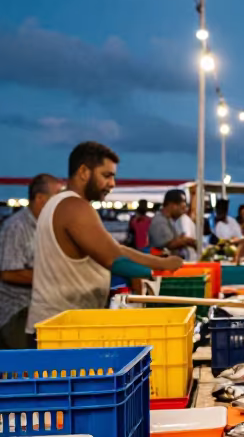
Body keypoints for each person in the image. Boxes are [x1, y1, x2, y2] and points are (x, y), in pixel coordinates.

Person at [27, 142, 183, 333]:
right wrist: (155, 275)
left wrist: (162, 263)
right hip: (59, 329)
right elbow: (115, 261)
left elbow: (116, 249)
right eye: (106, 175)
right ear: (84, 172)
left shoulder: (61, 203)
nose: (112, 184)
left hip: (58, 326)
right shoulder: (75, 207)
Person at [0, 174, 64, 348]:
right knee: (25, 367)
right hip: (18, 311)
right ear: (40, 199)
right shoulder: (16, 227)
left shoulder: (48, 226)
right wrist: (52, 277)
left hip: (39, 309)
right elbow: (8, 273)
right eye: (56, 196)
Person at [148, 190, 198, 255]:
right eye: (182, 207)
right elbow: (169, 245)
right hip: (161, 263)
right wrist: (187, 241)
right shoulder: (160, 221)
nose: (183, 211)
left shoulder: (169, 220)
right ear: (172, 205)